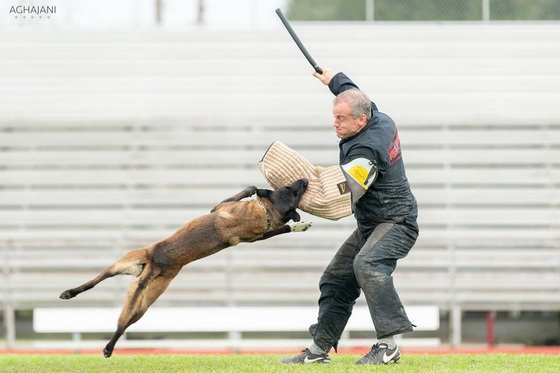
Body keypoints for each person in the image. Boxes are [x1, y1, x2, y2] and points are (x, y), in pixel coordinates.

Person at [281, 69, 419, 365]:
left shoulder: (368, 151)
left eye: (341, 118)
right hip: (372, 225)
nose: (335, 123)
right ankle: (318, 351)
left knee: (367, 264)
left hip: (397, 222)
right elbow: (352, 91)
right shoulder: (378, 117)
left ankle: (388, 346)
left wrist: (299, 195)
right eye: (334, 116)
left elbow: (338, 197)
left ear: (360, 120)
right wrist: (333, 78)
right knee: (335, 279)